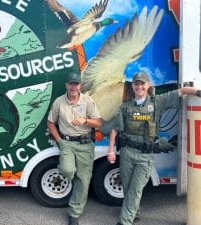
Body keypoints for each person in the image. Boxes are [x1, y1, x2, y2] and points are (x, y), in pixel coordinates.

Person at [107, 71, 201, 225]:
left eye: (142, 84)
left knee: (135, 190)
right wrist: (111, 150)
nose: (139, 87)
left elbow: (182, 91)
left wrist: (198, 92)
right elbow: (115, 129)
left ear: (147, 85)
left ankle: (125, 221)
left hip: (145, 156)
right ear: (133, 86)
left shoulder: (157, 102)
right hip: (127, 153)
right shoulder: (125, 107)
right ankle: (134, 213)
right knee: (127, 186)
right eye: (136, 84)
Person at [47, 72, 102, 225]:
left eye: (76, 84)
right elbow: (51, 123)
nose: (73, 86)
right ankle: (76, 182)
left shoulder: (88, 101)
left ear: (80, 86)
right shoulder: (59, 102)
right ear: (66, 85)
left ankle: (74, 213)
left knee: (83, 180)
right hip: (67, 144)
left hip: (85, 145)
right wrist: (59, 140)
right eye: (71, 83)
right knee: (67, 170)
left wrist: (85, 120)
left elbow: (98, 123)